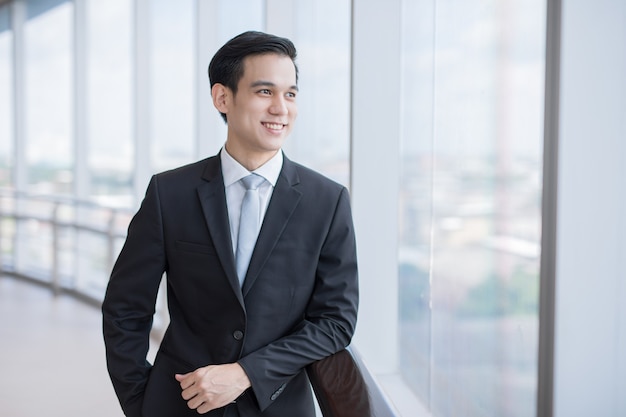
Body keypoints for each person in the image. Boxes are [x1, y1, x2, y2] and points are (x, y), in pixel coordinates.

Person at [102, 30, 359, 417]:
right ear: (222, 97)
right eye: (264, 92)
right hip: (178, 404)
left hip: (280, 407)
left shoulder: (328, 200)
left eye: (290, 94)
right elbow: (126, 308)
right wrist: (141, 403)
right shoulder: (169, 193)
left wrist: (247, 373)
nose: (281, 108)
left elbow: (336, 321)